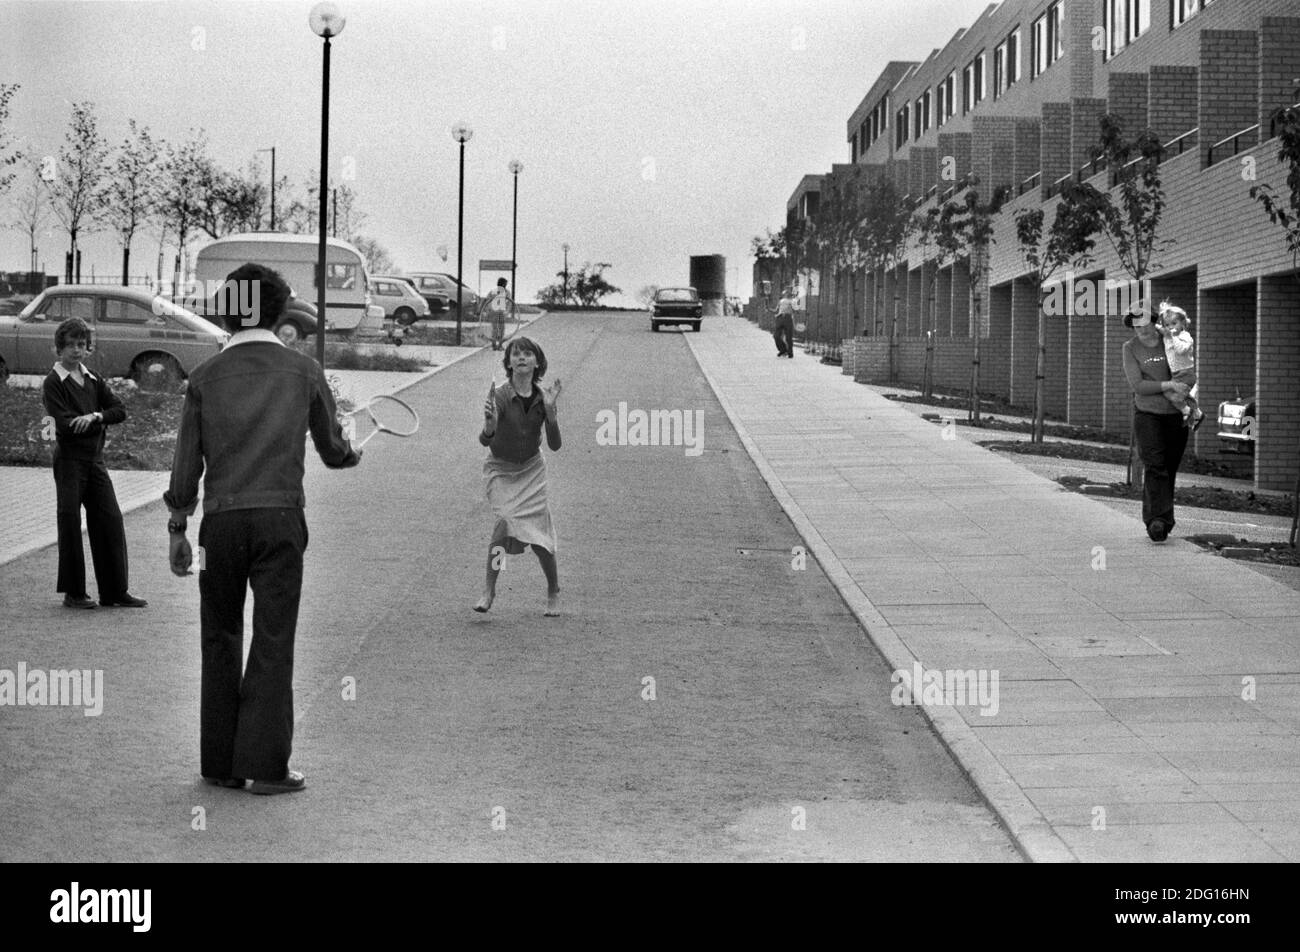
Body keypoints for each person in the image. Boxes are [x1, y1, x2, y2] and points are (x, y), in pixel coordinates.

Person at [165, 263, 361, 795]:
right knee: (273, 639)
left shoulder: (204, 377)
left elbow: (187, 463)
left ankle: (221, 764)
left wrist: (178, 525)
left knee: (219, 635)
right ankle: (268, 768)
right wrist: (351, 454)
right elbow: (333, 450)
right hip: (279, 519)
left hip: (220, 525)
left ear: (229, 309)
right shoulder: (304, 370)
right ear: (279, 313)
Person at [42, 317, 145, 609]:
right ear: (58, 349)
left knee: (110, 519)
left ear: (88, 348)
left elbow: (119, 410)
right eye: (70, 345)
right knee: (70, 522)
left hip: (94, 461)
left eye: (81, 344)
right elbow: (61, 424)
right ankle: (74, 593)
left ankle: (114, 591)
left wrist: (95, 417)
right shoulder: (53, 383)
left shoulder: (94, 379)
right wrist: (96, 420)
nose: (76, 350)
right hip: (69, 461)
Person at [476, 336, 563, 616]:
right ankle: (489, 590)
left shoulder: (543, 397)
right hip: (501, 468)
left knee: (540, 537)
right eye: (516, 354)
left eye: (527, 354)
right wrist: (490, 426)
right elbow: (485, 439)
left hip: (531, 470)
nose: (521, 358)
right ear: (509, 362)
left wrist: (550, 414)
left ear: (537, 362)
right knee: (504, 523)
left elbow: (555, 444)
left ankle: (553, 590)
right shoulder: (500, 395)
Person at [1121, 303, 1191, 543]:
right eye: (1134, 324)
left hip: (1176, 413)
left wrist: (1181, 387)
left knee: (1169, 468)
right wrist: (1168, 385)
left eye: (1143, 322)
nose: (1139, 328)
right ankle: (1156, 522)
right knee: (1154, 465)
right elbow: (1137, 385)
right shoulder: (1130, 348)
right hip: (1147, 413)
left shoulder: (1170, 339)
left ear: (1153, 321)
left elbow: (1187, 367)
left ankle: (1164, 520)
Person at [1156, 301, 1203, 430]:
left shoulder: (1186, 337)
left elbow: (1181, 350)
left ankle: (1187, 411)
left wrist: (1172, 337)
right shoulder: (1168, 336)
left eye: (1174, 323)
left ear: (1183, 323)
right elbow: (1158, 328)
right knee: (1172, 394)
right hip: (1176, 374)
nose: (1171, 327)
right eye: (1168, 325)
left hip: (1186, 373)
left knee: (1175, 396)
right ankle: (1197, 413)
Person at [480, 277, 513, 351]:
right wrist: (488, 310)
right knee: (496, 329)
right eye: (504, 284)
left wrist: (506, 312)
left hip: (501, 312)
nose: (505, 285)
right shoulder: (494, 291)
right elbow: (487, 301)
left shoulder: (506, 292)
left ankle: (499, 345)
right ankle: (494, 345)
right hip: (495, 312)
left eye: (505, 284)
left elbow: (509, 303)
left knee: (500, 329)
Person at [771, 288, 795, 358]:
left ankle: (790, 353)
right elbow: (776, 310)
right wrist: (769, 309)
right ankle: (783, 349)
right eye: (784, 294)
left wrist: (792, 307)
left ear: (789, 295)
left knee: (788, 337)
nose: (786, 295)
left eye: (787, 293)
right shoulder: (780, 301)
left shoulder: (792, 301)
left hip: (788, 318)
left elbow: (796, 310)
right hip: (780, 318)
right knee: (776, 336)